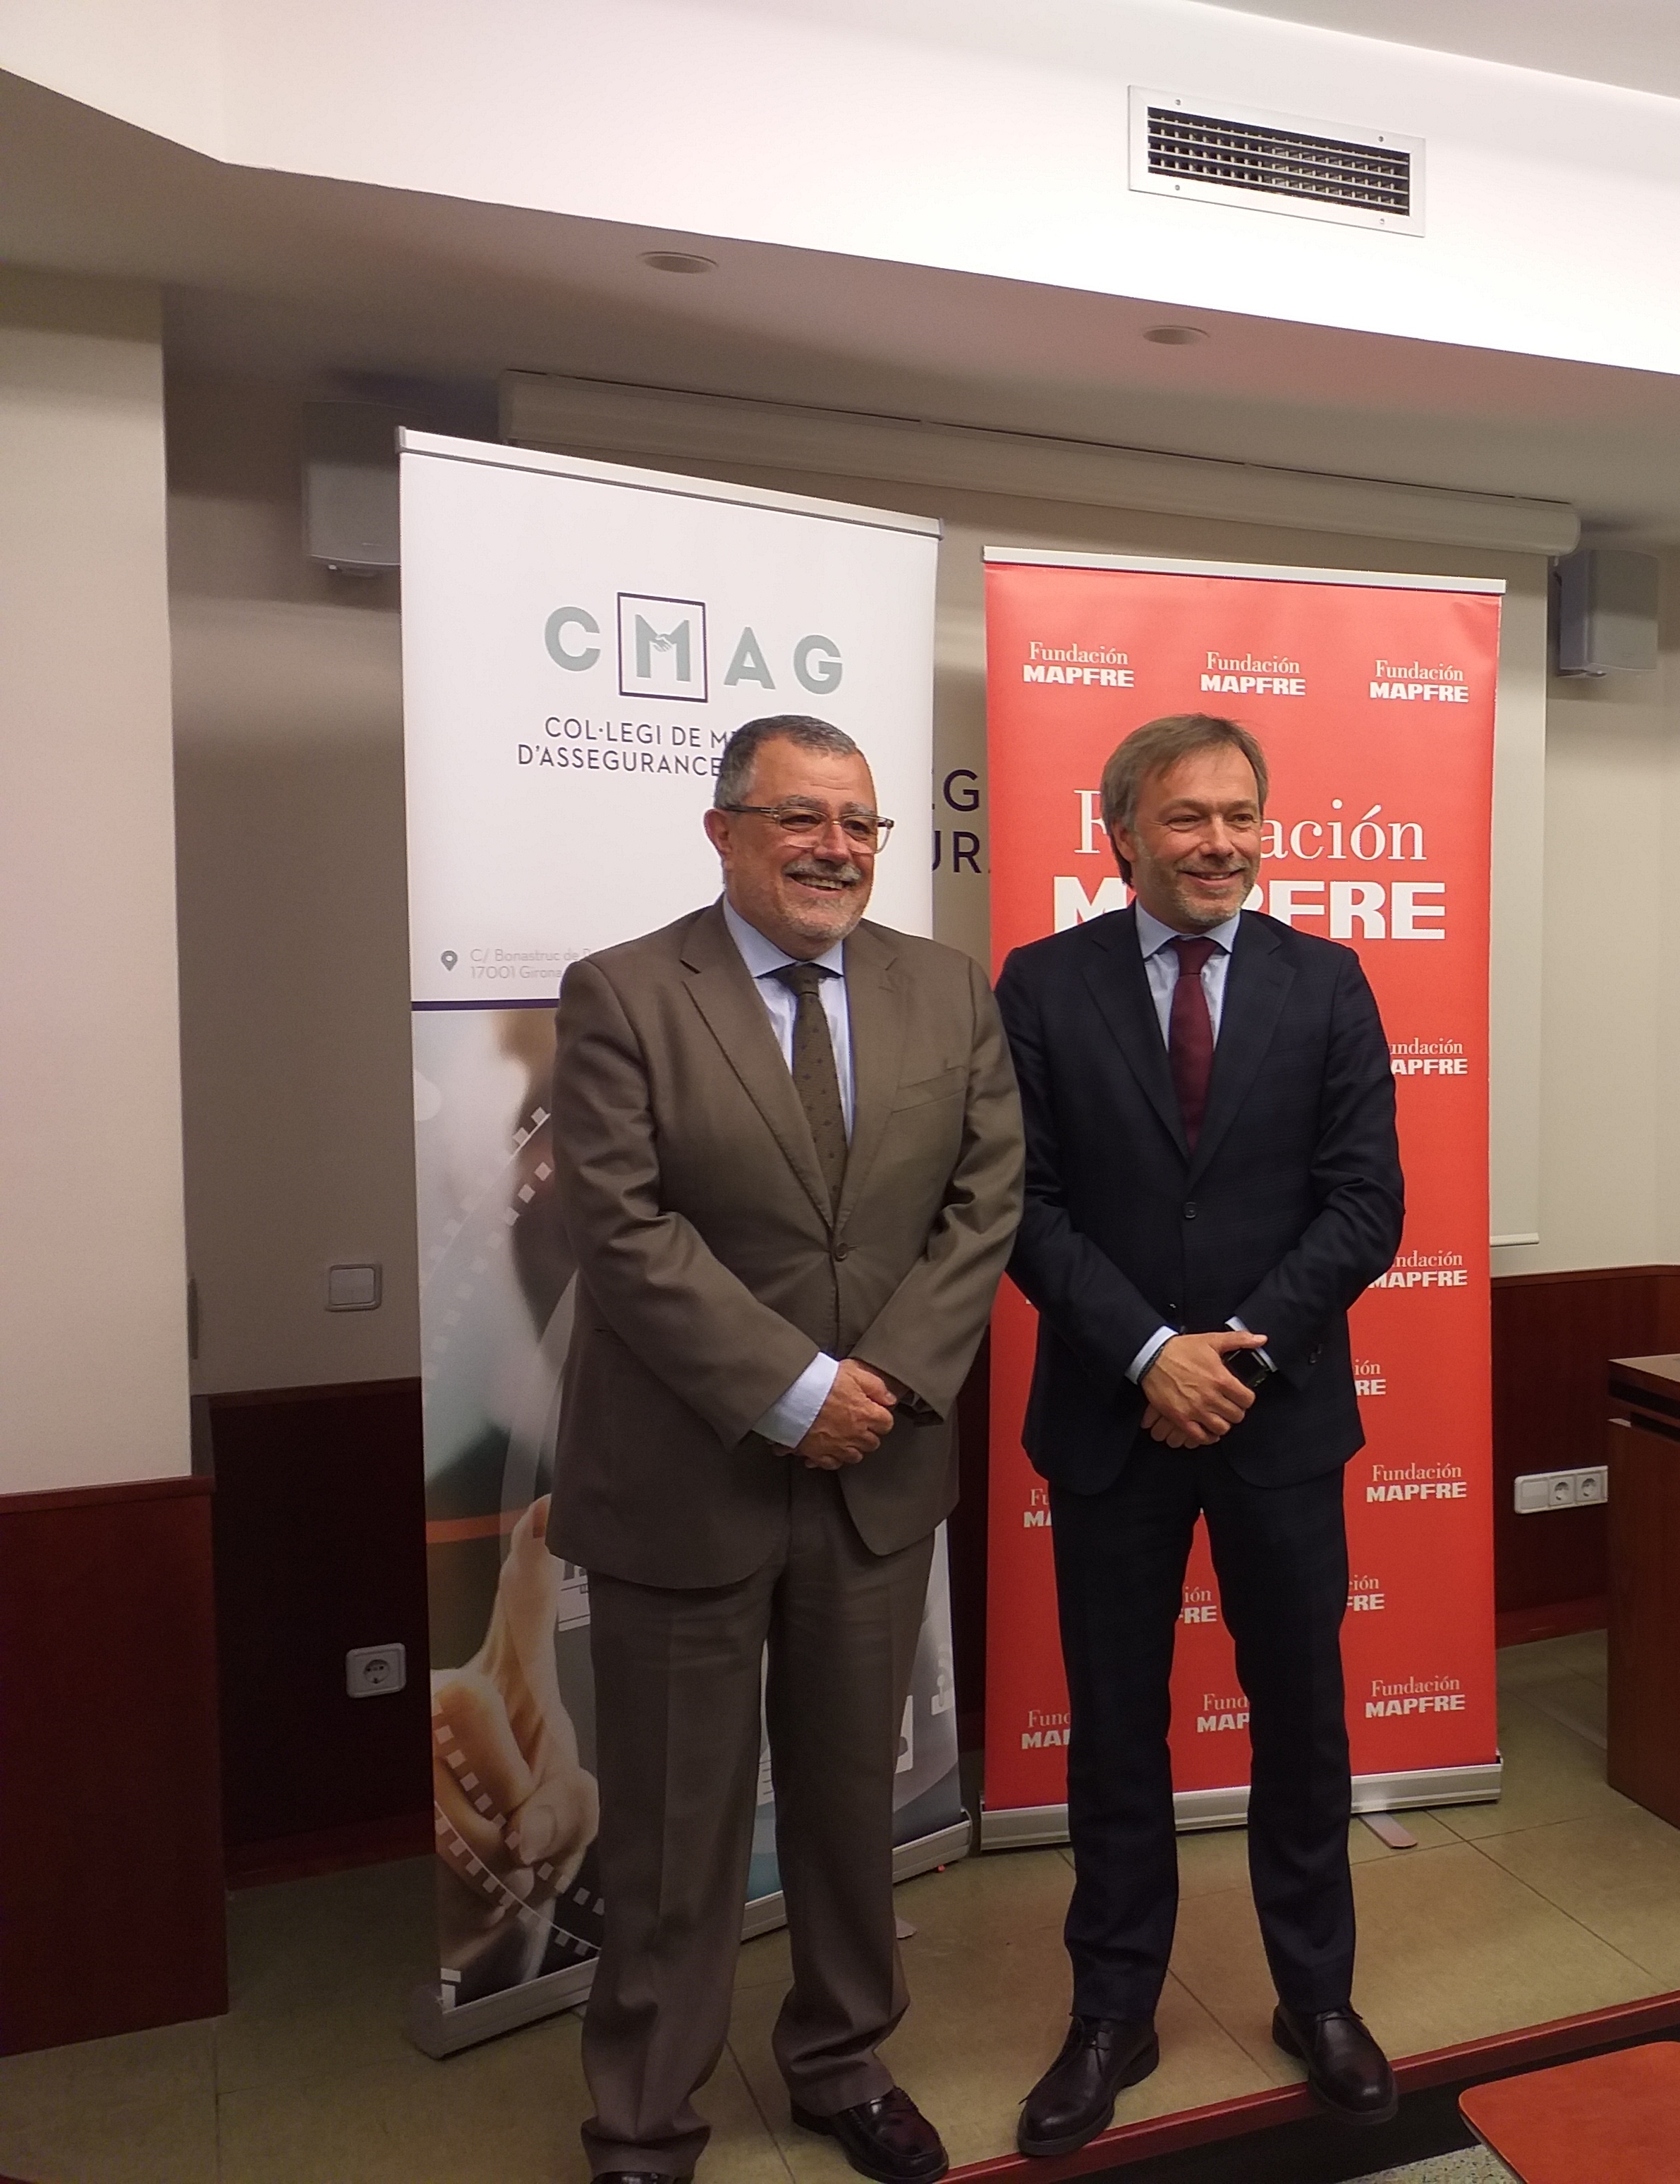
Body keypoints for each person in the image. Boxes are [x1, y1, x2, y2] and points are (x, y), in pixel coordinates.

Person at [548, 714, 1022, 2184]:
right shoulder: (626, 992)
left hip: (877, 1469)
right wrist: (790, 1388)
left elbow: (987, 1199)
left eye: (859, 823)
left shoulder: (946, 989)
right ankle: (644, 2119)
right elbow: (619, 1226)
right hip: (685, 1480)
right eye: (800, 818)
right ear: (724, 831)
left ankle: (842, 2061)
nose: (835, 849)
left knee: (848, 1808)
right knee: (674, 1831)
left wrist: (881, 1382)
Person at [996, 712, 1406, 2159]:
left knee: (1302, 1722)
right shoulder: (1042, 985)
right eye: (1187, 817)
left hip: (1276, 1418)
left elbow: (1366, 1203)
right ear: (1122, 833)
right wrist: (1149, 1354)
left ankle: (1319, 1997)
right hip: (1112, 1418)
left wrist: (1234, 1350)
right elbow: (1023, 1205)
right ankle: (1112, 2010)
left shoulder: (1326, 981)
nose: (1220, 842)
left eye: (1241, 815)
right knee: (1117, 1730)